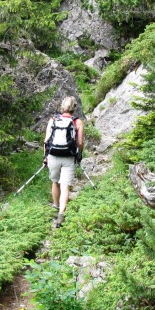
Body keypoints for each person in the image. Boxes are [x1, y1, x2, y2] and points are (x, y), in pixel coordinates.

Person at [43, 96, 85, 228]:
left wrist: (45, 157)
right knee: (65, 185)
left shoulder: (53, 119)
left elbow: (46, 140)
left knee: (55, 182)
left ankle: (56, 206)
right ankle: (61, 214)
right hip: (68, 157)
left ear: (62, 106)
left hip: (53, 156)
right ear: (74, 107)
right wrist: (79, 154)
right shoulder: (77, 122)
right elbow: (80, 143)